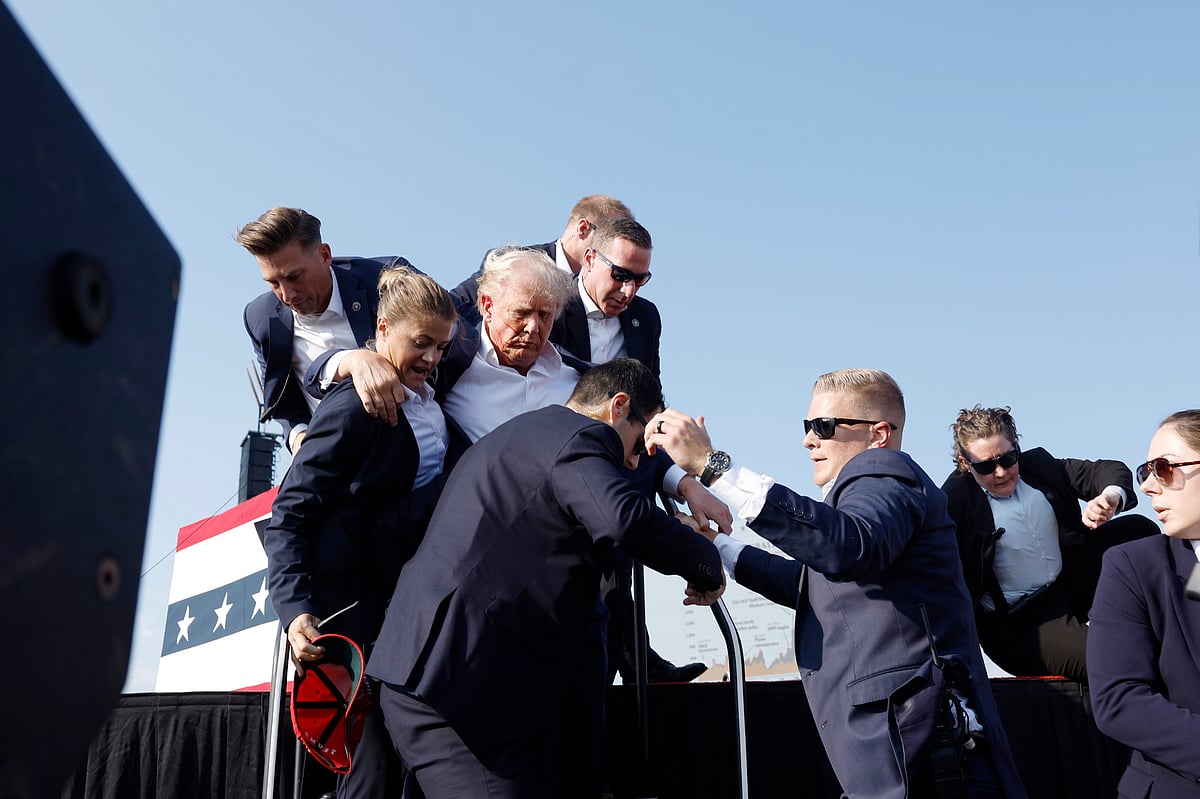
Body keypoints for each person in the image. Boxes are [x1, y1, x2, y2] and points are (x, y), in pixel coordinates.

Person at [647, 369, 1027, 799]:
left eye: (824, 427)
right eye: (807, 427)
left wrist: (714, 467)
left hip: (930, 761)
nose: (809, 440)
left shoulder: (886, 472)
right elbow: (814, 585)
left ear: (879, 434)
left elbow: (848, 547)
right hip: (907, 762)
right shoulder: (867, 505)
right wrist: (720, 548)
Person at [366, 358, 726, 799]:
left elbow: (594, 523)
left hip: (445, 675)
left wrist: (672, 528)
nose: (635, 464)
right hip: (458, 684)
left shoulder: (526, 437)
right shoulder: (580, 440)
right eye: (640, 442)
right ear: (618, 407)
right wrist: (703, 562)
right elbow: (622, 519)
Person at [262, 267, 458, 798]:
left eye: (441, 346)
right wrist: (295, 608)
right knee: (369, 774)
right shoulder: (355, 407)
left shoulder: (430, 400)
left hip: (403, 610)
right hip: (349, 617)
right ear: (382, 326)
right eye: (421, 343)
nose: (433, 359)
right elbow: (291, 512)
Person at [942, 405, 1156, 683]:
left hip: (1067, 586)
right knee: (1118, 659)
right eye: (985, 466)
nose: (1000, 472)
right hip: (1020, 625)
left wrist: (1110, 498)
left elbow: (1106, 471)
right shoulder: (953, 501)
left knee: (1139, 530)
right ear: (965, 463)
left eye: (1007, 459)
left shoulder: (1039, 466)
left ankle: (1182, 606)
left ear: (1016, 448)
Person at [1088, 410, 1200, 798]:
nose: (1150, 486)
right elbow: (1118, 700)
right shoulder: (1132, 567)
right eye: (1145, 471)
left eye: (1164, 468)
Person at [239, 206, 413, 452]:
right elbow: (282, 401)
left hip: (415, 446)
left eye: (295, 276)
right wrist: (299, 437)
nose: (287, 295)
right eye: (273, 283)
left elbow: (451, 328)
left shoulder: (387, 280)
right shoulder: (260, 318)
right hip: (337, 467)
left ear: (324, 255)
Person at [449, 194, 633, 308]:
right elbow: (454, 306)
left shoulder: (613, 298)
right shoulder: (513, 262)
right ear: (583, 229)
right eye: (610, 236)